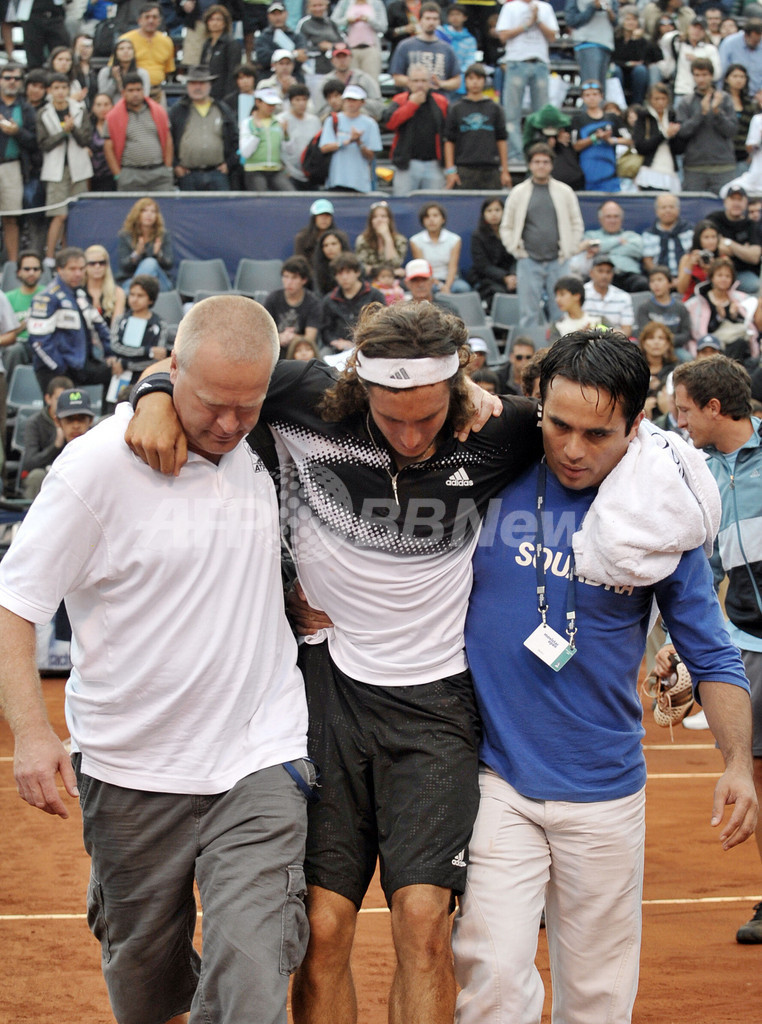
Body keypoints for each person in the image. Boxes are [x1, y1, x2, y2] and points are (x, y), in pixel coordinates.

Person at [121, 298, 544, 1024]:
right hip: (324, 695)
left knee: (423, 923)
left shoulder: (501, 428)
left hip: (439, 704)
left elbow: (596, 431)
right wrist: (152, 396)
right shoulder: (305, 397)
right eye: (391, 417)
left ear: (458, 386)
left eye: (427, 416)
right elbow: (197, 369)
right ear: (358, 385)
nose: (410, 436)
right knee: (322, 927)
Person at [0, 294, 312, 1024]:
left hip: (258, 757)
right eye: (210, 405)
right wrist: (32, 733)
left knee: (252, 976)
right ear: (172, 369)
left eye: (247, 406)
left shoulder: (270, 441)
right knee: (144, 988)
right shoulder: (95, 469)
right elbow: (15, 603)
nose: (229, 425)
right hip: (130, 770)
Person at [452, 327, 757, 1024]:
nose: (572, 449)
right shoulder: (493, 470)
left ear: (635, 426)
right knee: (491, 985)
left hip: (605, 789)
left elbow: (712, 653)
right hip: (496, 779)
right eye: (558, 425)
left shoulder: (658, 513)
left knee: (597, 1001)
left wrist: (738, 763)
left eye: (597, 434)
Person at [669, 356, 762, 943]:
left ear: (713, 406)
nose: (679, 422)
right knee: (754, 770)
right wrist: (677, 643)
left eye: (684, 411)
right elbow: (703, 569)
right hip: (748, 640)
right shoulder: (696, 473)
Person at [500, 142, 585, 327]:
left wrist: (569, 249)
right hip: (528, 261)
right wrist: (516, 250)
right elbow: (506, 226)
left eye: (545, 162)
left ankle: (561, 346)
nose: (541, 166)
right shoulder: (518, 192)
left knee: (561, 315)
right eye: (537, 162)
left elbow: (576, 223)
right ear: (530, 165)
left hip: (558, 261)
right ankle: (530, 347)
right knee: (528, 314)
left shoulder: (565, 191)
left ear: (552, 165)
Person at [27, 247, 114, 398]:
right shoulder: (47, 297)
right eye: (72, 269)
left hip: (78, 364)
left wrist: (110, 353)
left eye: (81, 268)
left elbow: (100, 325)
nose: (78, 274)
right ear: (59, 270)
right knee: (60, 408)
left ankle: (110, 413)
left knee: (115, 371)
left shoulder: (80, 294)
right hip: (54, 369)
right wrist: (59, 368)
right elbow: (38, 342)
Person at [36, 73, 93, 268]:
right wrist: (64, 132)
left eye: (64, 87)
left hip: (79, 169)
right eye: (56, 88)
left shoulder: (80, 109)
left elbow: (86, 139)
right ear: (49, 91)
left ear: (69, 89)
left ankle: (73, 256)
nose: (60, 92)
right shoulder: (43, 113)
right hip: (55, 170)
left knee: (76, 216)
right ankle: (50, 257)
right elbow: (44, 144)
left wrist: (73, 129)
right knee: (59, 214)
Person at [495, 0, 559, 165]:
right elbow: (502, 36)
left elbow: (553, 37)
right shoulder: (510, 7)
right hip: (516, 61)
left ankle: (540, 153)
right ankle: (516, 154)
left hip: (540, 62)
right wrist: (527, 25)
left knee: (542, 114)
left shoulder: (545, 7)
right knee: (511, 114)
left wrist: (537, 21)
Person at [169, 63, 237, 191]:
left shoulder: (223, 109)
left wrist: (229, 164)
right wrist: (175, 165)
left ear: (210, 85)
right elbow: (168, 140)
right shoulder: (177, 111)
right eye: (193, 83)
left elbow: (235, 139)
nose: (197, 87)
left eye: (202, 83)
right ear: (187, 86)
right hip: (188, 175)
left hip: (218, 173)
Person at [443, 63, 511, 191]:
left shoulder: (495, 108)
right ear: (465, 81)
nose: (475, 82)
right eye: (471, 78)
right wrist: (450, 170)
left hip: (491, 169)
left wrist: (505, 170)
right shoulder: (456, 108)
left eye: (479, 78)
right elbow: (449, 141)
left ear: (484, 81)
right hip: (464, 169)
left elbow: (501, 140)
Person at [103, 72, 174, 192]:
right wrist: (118, 175)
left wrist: (168, 168)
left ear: (143, 91)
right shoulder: (113, 117)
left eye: (138, 90)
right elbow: (108, 147)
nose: (135, 94)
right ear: (123, 92)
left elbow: (168, 140)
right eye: (131, 90)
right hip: (130, 174)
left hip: (159, 173)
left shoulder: (158, 111)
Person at [382, 64, 448, 196]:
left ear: (430, 82)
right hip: (407, 164)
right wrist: (412, 105)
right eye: (416, 81)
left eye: (423, 81)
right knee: (403, 203)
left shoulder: (441, 102)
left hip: (434, 163)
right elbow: (389, 124)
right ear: (409, 82)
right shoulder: (400, 100)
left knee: (434, 204)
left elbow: (448, 133)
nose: (420, 85)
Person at [676, 57, 737, 194]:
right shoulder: (686, 102)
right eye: (697, 75)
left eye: (704, 75)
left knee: (725, 204)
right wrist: (701, 113)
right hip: (694, 166)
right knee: (693, 205)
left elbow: (731, 130)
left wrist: (717, 112)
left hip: (723, 165)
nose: (701, 79)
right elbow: (683, 132)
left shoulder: (725, 99)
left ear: (711, 76)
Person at [0, 63, 37, 265]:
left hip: (12, 166)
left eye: (16, 78)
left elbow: (34, 141)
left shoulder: (26, 108)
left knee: (11, 217)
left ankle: (12, 266)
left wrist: (17, 132)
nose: (12, 82)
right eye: (7, 77)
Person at [389, 1, 462, 97]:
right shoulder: (405, 46)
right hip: (412, 99)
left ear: (439, 22)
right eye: (427, 18)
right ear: (420, 20)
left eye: (435, 19)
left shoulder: (447, 49)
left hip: (439, 99)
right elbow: (397, 78)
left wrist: (440, 84)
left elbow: (457, 81)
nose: (431, 22)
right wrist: (418, 83)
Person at [20, 373, 74, 500]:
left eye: (66, 400)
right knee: (36, 476)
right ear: (48, 399)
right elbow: (30, 462)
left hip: (72, 469)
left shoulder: (79, 421)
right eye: (59, 399)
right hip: (44, 470)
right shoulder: (34, 423)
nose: (63, 404)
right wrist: (55, 446)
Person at [685, 255, 750, 361]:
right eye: (720, 275)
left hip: (733, 345)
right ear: (712, 277)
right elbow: (700, 332)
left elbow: (747, 326)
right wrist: (719, 318)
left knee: (741, 342)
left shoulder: (740, 299)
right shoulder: (698, 301)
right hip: (708, 345)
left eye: (727, 276)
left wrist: (734, 316)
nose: (724, 279)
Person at [319, 84, 381, 193]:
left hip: (360, 182)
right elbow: (324, 148)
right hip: (336, 180)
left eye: (354, 100)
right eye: (348, 99)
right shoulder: (332, 120)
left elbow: (371, 155)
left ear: (362, 102)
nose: (350, 103)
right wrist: (346, 142)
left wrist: (359, 142)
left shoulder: (370, 124)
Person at [319, 251, 385, 351]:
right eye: (340, 273)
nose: (344, 277)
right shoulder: (329, 300)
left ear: (357, 272)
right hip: (338, 348)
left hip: (370, 346)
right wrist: (335, 341)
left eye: (348, 272)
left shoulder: (375, 295)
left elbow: (383, 325)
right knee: (324, 353)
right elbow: (325, 330)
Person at [578, 199, 647, 293]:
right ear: (600, 219)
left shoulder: (631, 236)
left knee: (642, 283)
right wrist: (618, 241)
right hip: (600, 277)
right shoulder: (590, 235)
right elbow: (589, 249)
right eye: (608, 217)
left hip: (628, 276)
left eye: (616, 216)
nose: (612, 220)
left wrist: (602, 249)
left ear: (621, 219)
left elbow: (637, 251)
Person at [110, 273, 168, 383]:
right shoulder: (120, 320)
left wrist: (126, 365)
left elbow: (158, 358)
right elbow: (115, 346)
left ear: (151, 299)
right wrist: (148, 351)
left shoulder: (160, 324)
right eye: (132, 294)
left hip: (145, 378)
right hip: (118, 375)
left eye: (140, 296)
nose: (134, 299)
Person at [707, 185, 762, 294]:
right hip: (716, 271)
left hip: (742, 273)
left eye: (740, 199)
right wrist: (743, 250)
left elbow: (754, 257)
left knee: (754, 285)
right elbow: (710, 246)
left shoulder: (751, 225)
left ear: (745, 203)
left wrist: (729, 243)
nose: (736, 203)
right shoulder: (714, 219)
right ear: (725, 202)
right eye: (732, 199)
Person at [572, 78, 624, 193]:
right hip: (587, 171)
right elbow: (575, 146)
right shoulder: (577, 120)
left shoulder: (612, 118)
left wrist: (612, 140)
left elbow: (629, 140)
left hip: (609, 169)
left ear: (601, 96)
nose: (591, 98)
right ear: (582, 98)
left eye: (595, 94)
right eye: (587, 95)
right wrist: (594, 138)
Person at [263, 255, 322, 356]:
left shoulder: (313, 302)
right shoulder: (272, 298)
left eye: (294, 278)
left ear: (304, 280)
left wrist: (293, 338)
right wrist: (279, 338)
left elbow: (309, 339)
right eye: (286, 277)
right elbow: (263, 333)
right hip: (276, 350)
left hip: (300, 352)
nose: (289, 282)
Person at [410, 200, 471, 295]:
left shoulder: (455, 239)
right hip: (428, 281)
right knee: (428, 289)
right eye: (427, 216)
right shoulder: (415, 241)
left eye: (435, 216)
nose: (431, 220)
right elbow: (423, 269)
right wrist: (439, 285)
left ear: (443, 219)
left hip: (451, 280)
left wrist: (447, 286)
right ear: (423, 221)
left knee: (463, 288)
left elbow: (453, 267)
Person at [630, 81, 681, 193]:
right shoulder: (643, 117)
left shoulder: (672, 116)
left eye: (663, 99)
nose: (660, 102)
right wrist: (664, 135)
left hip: (670, 171)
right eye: (656, 99)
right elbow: (640, 147)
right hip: (650, 172)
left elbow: (679, 149)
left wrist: (675, 135)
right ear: (649, 99)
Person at [240, 87, 294, 191]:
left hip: (276, 169)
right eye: (268, 104)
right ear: (258, 102)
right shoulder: (247, 123)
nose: (272, 107)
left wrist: (286, 134)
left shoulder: (280, 122)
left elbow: (290, 152)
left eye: (274, 104)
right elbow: (245, 153)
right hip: (254, 170)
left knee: (290, 195)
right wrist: (257, 132)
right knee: (261, 197)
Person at [466, 196, 516, 308]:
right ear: (483, 214)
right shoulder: (477, 236)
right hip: (486, 278)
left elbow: (517, 258)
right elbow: (482, 265)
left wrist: (513, 275)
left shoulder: (511, 233)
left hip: (511, 277)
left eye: (497, 210)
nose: (494, 214)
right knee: (497, 292)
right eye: (489, 210)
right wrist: (504, 277)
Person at [116, 197, 174, 292]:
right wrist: (137, 253)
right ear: (137, 214)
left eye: (153, 211)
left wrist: (158, 254)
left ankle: (130, 294)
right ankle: (135, 293)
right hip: (130, 280)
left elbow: (169, 264)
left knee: (150, 262)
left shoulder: (163, 235)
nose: (149, 214)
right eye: (144, 211)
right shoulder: (125, 235)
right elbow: (124, 266)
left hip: (159, 282)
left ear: (157, 216)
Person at [121, 2, 176, 101]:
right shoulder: (126, 39)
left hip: (157, 92)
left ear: (159, 21)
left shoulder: (166, 41)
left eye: (154, 17)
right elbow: (116, 66)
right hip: (133, 93)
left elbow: (168, 69)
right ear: (139, 20)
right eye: (147, 17)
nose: (151, 20)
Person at [634, 264, 691, 351]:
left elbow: (686, 334)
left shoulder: (681, 308)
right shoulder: (644, 308)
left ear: (670, 283)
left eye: (660, 280)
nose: (656, 284)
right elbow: (643, 332)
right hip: (650, 349)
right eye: (652, 281)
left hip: (674, 347)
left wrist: (666, 341)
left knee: (687, 357)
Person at [641, 193, 693, 287]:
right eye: (663, 207)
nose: (667, 210)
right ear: (656, 211)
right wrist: (664, 280)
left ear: (678, 209)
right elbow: (648, 261)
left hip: (688, 278)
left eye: (671, 207)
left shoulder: (690, 231)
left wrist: (682, 279)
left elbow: (693, 257)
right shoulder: (648, 234)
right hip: (660, 282)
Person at [564, 0, 617, 89]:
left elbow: (616, 21)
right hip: (587, 43)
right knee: (592, 87)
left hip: (606, 45)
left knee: (601, 90)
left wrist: (609, 12)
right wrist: (592, 7)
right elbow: (571, 21)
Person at [330, 0, 387, 79]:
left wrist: (369, 20)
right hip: (350, 50)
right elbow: (332, 23)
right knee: (350, 81)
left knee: (371, 81)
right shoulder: (345, 2)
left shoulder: (376, 2)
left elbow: (383, 27)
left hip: (371, 48)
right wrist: (347, 20)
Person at [583, 253, 635, 336]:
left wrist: (607, 333)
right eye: (600, 271)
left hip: (613, 341)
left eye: (608, 272)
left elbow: (627, 331)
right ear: (591, 273)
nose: (604, 275)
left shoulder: (624, 297)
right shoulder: (580, 293)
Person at [255, 1, 309, 81]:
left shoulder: (297, 36)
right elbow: (263, 58)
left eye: (280, 13)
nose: (278, 17)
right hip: (268, 77)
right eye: (274, 14)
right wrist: (294, 54)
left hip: (294, 77)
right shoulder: (262, 38)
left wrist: (274, 53)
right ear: (268, 16)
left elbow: (302, 57)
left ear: (286, 14)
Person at [354, 200, 408, 279]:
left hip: (392, 280)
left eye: (383, 216)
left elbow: (394, 264)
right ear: (371, 221)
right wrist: (390, 272)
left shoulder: (400, 240)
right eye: (375, 217)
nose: (379, 220)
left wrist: (387, 238)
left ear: (389, 220)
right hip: (370, 280)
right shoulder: (362, 240)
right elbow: (363, 268)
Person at [200, 5, 242, 102]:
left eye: (218, 19)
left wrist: (228, 96)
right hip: (207, 92)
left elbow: (233, 72)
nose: (215, 22)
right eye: (211, 19)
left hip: (223, 94)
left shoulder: (231, 43)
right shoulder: (206, 44)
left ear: (225, 23)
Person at [294, 198, 350, 265]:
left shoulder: (341, 237)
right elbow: (299, 264)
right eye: (320, 215)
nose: (324, 219)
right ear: (314, 218)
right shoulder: (302, 238)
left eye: (327, 215)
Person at [676, 218, 721, 300]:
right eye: (706, 237)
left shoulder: (723, 259)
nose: (711, 241)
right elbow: (681, 290)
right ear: (698, 239)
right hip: (692, 299)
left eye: (713, 237)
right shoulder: (687, 259)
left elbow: (724, 287)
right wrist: (689, 266)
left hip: (715, 300)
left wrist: (712, 269)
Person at [84, 243, 126, 330]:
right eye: (92, 263)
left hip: (108, 336)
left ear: (107, 265)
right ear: (85, 266)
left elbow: (115, 327)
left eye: (102, 263)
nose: (97, 266)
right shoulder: (77, 291)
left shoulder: (118, 293)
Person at [97, 36, 152, 101]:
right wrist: (115, 80)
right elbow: (103, 97)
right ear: (115, 53)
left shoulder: (141, 73)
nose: (126, 51)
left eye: (129, 48)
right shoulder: (106, 72)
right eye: (121, 49)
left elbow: (145, 96)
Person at [720, 18, 762, 96]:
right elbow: (722, 71)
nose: (757, 43)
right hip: (732, 95)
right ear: (746, 35)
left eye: (759, 40)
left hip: (758, 95)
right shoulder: (729, 43)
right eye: (754, 41)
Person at [89, 92, 116, 191]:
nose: (102, 108)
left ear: (112, 106)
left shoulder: (118, 127)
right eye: (98, 105)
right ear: (93, 108)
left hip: (115, 175)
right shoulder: (88, 128)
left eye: (106, 104)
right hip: (94, 176)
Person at [312, 229, 351, 296]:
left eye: (334, 244)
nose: (330, 248)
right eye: (325, 245)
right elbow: (318, 295)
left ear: (342, 245)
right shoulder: (318, 269)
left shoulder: (353, 264)